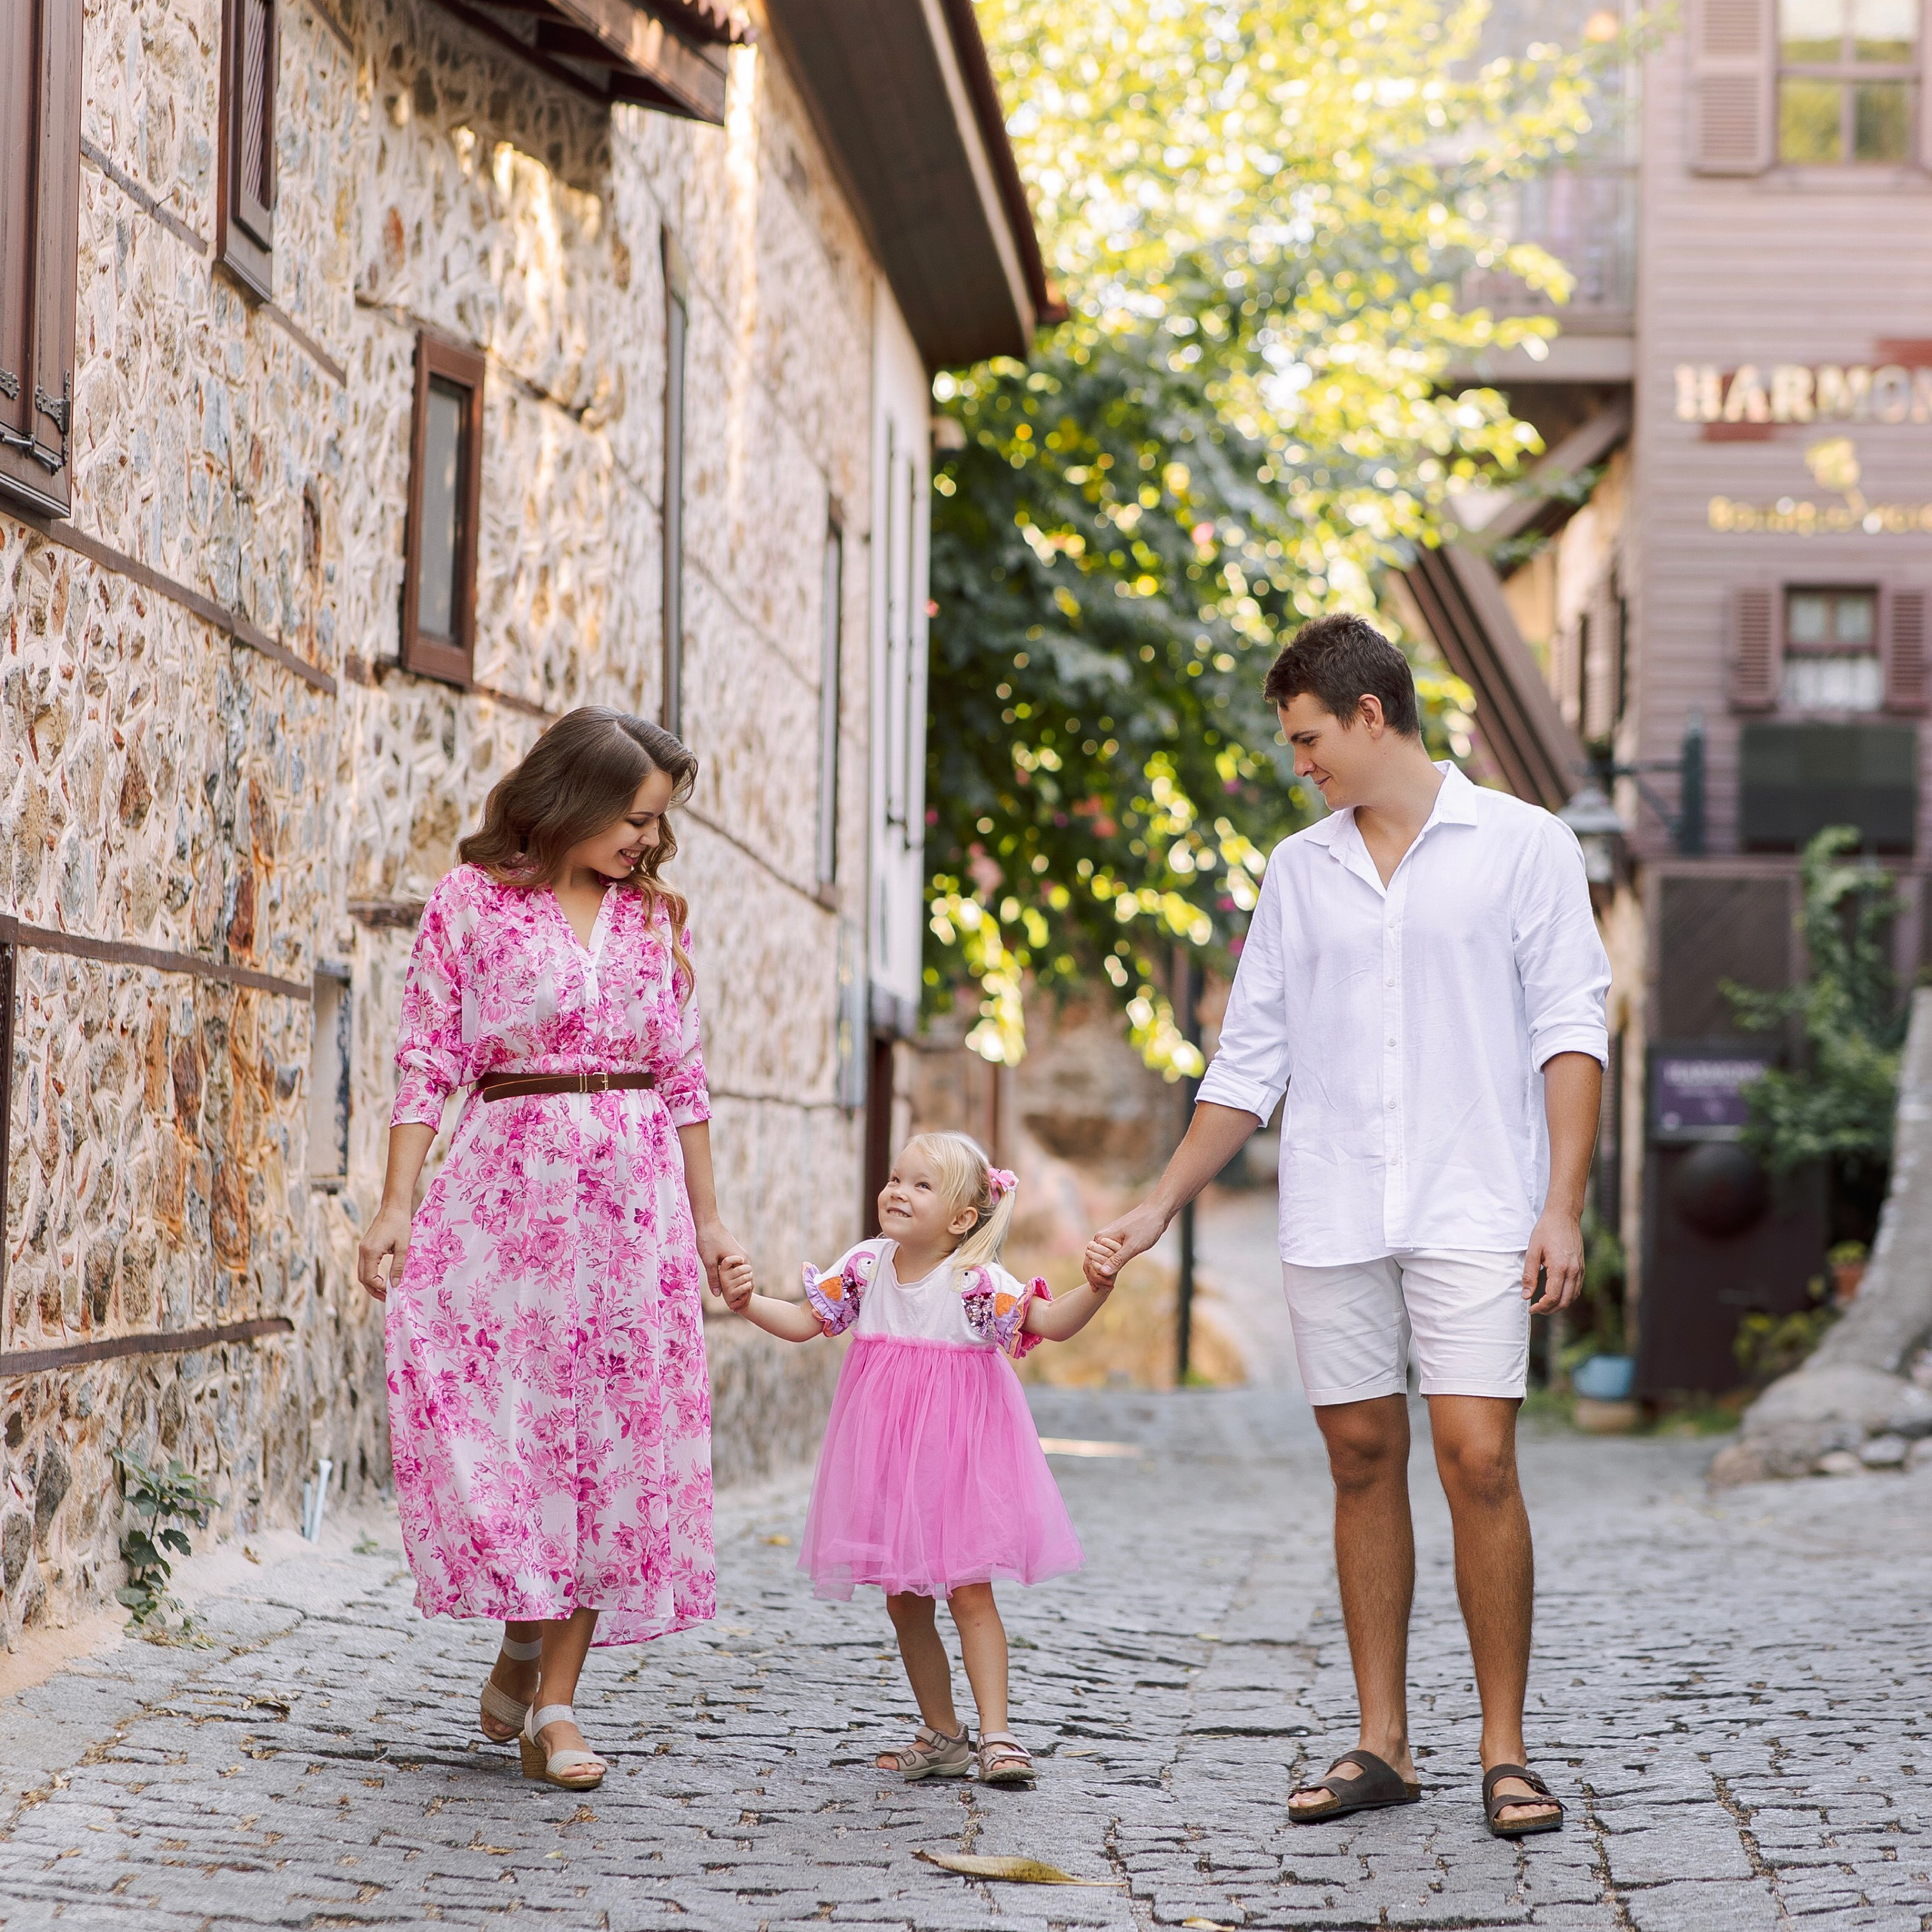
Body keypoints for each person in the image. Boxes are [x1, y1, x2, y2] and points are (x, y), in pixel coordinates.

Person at [1085, 614, 1609, 1840]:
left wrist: (1564, 1205)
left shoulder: (1526, 848)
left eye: (1309, 737)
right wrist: (1161, 1200)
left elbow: (1571, 1031)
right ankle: (1384, 1743)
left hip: (1478, 1200)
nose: (1301, 762)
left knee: (1478, 1458)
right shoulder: (1297, 871)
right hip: (1333, 1202)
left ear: (1372, 715)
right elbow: (1249, 1059)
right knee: (1361, 1461)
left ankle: (1505, 1750)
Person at [355, 707, 746, 1792]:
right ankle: (522, 1631)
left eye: (659, 825)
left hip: (633, 1210)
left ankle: (557, 1706)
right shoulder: (470, 904)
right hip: (502, 1206)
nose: (648, 844)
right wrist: (396, 1202)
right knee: (507, 1430)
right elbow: (427, 1055)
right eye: (633, 819)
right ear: (573, 799)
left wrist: (711, 1225)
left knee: (607, 1446)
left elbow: (686, 1079)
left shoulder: (656, 920)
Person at [719, 1133, 1111, 1787]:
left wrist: (1095, 1285)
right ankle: (943, 1733)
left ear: (962, 1218)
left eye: (920, 1185)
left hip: (958, 1464)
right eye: (896, 1178)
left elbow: (1052, 1320)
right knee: (903, 1600)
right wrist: (744, 1303)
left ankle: (998, 1735)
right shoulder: (867, 1267)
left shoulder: (974, 1285)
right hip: (887, 1464)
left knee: (969, 1591)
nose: (897, 1190)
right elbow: (801, 1322)